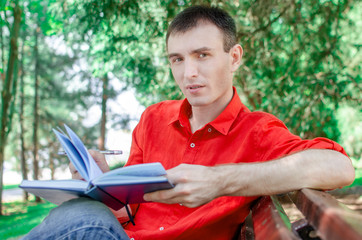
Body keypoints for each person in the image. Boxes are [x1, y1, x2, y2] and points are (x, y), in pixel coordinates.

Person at [23, 5, 354, 240]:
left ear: (234, 57)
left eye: (202, 55)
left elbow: (339, 167)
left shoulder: (256, 131)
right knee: (83, 214)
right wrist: (101, 183)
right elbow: (130, 212)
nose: (188, 74)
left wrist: (219, 180)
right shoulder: (153, 118)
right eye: (177, 60)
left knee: (83, 222)